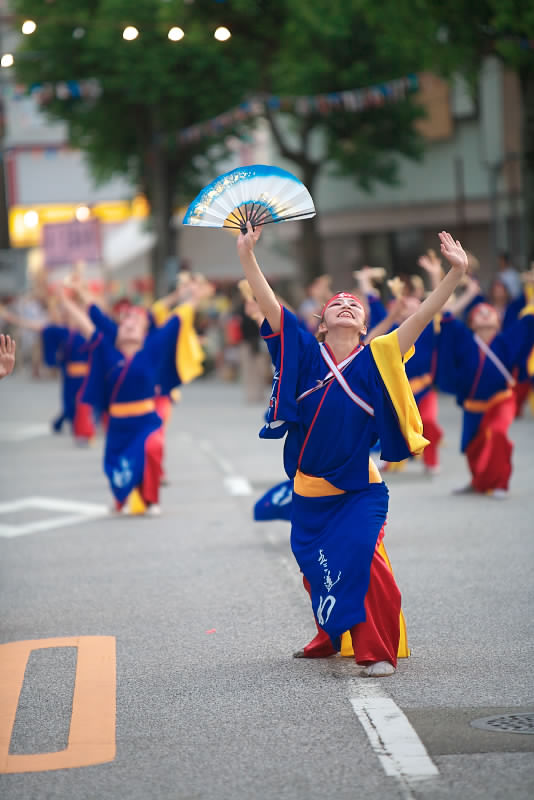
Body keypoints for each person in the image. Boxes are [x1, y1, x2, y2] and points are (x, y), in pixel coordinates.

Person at [237, 222, 468, 677]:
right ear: (321, 325)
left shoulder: (380, 355)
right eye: (335, 304)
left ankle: (377, 650)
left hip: (360, 491)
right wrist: (247, 256)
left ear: (364, 325)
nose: (345, 305)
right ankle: (332, 635)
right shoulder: (301, 354)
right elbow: (269, 302)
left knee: (366, 563)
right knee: (317, 572)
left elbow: (419, 318)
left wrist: (454, 275)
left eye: (354, 305)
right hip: (308, 493)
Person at [60, 284, 205, 515]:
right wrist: (66, 300)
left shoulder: (152, 348)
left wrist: (193, 298)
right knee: (119, 467)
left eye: (135, 324)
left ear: (144, 333)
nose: (130, 325)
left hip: (146, 420)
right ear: (117, 332)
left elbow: (177, 319)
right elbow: (89, 320)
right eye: (125, 323)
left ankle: (151, 500)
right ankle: (122, 498)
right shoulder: (107, 350)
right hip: (117, 424)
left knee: (152, 447)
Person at [438, 298, 534, 497]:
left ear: (498, 321)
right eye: (479, 312)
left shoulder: (506, 341)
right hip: (473, 405)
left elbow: (528, 322)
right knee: (473, 447)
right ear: (471, 322)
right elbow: (447, 317)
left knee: (497, 432)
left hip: (501, 400)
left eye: (488, 311)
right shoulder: (465, 339)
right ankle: (478, 482)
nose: (483, 313)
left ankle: (500, 483)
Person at [0, 296, 97, 442]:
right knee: (70, 404)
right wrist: (14, 319)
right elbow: (37, 327)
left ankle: (80, 429)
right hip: (71, 375)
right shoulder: (62, 331)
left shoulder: (90, 332)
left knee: (85, 402)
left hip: (88, 375)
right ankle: (70, 425)